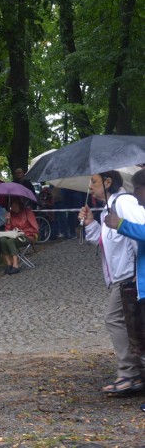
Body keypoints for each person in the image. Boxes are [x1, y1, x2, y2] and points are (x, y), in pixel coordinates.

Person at [79, 170, 145, 396]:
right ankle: (133, 372)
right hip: (119, 277)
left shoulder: (124, 201)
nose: (90, 186)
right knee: (128, 324)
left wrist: (137, 268)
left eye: (94, 181)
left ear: (108, 182)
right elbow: (104, 243)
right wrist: (90, 223)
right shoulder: (108, 208)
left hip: (130, 276)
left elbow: (141, 227)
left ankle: (130, 372)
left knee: (114, 318)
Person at [104, 167, 145, 411]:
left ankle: (131, 374)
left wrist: (121, 225)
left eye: (138, 191)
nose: (136, 197)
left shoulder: (127, 204)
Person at [0, 197, 38, 275]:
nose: (14, 208)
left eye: (15, 206)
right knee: (2, 239)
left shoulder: (27, 212)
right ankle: (9, 264)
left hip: (28, 236)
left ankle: (15, 265)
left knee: (10, 241)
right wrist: (8, 220)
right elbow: (7, 230)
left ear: (20, 205)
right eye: (12, 207)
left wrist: (22, 232)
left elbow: (35, 228)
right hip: (15, 235)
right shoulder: (11, 214)